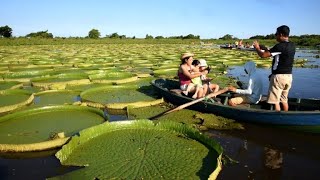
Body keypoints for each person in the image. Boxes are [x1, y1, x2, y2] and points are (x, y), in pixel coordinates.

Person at [253, 25, 295, 111]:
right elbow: (279, 54)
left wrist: (257, 48)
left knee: (275, 101)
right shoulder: (292, 45)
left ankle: (279, 118)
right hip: (289, 76)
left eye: (276, 34)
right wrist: (264, 48)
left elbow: (263, 55)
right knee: (284, 99)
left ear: (281, 34)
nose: (275, 35)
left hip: (279, 77)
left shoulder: (279, 46)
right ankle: (286, 116)